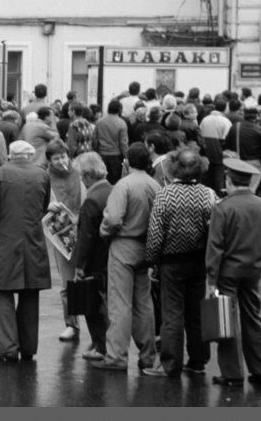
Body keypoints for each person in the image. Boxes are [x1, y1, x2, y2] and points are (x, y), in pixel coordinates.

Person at [141, 149, 215, 378]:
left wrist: (152, 261)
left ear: (175, 168)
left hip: (171, 263)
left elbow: (155, 232)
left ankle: (171, 364)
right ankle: (198, 360)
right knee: (196, 312)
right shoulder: (208, 194)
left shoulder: (165, 195)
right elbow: (214, 229)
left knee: (172, 314)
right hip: (198, 261)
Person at [206, 158, 261, 388]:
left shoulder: (223, 207)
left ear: (229, 180)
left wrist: (211, 279)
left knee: (227, 321)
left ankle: (232, 373)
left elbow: (215, 247)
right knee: (252, 318)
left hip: (228, 271)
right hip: (253, 270)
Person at [92, 142, 160, 372]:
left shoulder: (124, 185)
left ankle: (116, 356)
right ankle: (148, 354)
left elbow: (112, 219)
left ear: (128, 162)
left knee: (120, 303)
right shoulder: (155, 185)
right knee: (144, 302)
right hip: (147, 246)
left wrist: (104, 231)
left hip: (124, 245)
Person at [0, 140, 51, 362]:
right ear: (30, 155)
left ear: (10, 154)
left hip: (5, 239)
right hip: (33, 240)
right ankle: (28, 347)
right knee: (30, 294)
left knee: (2, 292)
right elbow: (43, 206)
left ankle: (7, 347)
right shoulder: (42, 175)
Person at [73, 152, 114, 361]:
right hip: (111, 256)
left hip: (95, 260)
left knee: (93, 305)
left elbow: (86, 237)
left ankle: (101, 345)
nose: (81, 180)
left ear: (88, 175)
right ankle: (105, 345)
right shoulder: (113, 191)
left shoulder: (91, 200)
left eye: (81, 176)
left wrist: (80, 265)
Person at [45, 139, 85, 342]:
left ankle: (95, 325)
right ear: (49, 161)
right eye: (56, 158)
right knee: (67, 281)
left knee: (88, 279)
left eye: (63, 156)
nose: (61, 161)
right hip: (61, 233)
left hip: (83, 230)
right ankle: (71, 323)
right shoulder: (45, 178)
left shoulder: (80, 173)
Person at [224, 102, 261, 193]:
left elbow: (227, 145)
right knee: (251, 189)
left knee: (237, 188)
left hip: (238, 162)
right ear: (256, 116)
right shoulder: (260, 130)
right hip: (255, 163)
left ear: (244, 115)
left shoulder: (235, 127)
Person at [200, 96, 232, 195]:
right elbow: (227, 140)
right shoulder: (225, 122)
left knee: (207, 180)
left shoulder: (205, 119)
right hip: (219, 155)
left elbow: (200, 136)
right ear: (225, 108)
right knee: (219, 182)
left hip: (206, 153)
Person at [93, 100, 129, 185]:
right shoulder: (122, 123)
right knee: (115, 181)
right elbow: (123, 143)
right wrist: (126, 157)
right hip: (116, 156)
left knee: (102, 179)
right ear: (120, 109)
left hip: (102, 154)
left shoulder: (99, 122)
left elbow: (95, 139)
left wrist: (96, 151)